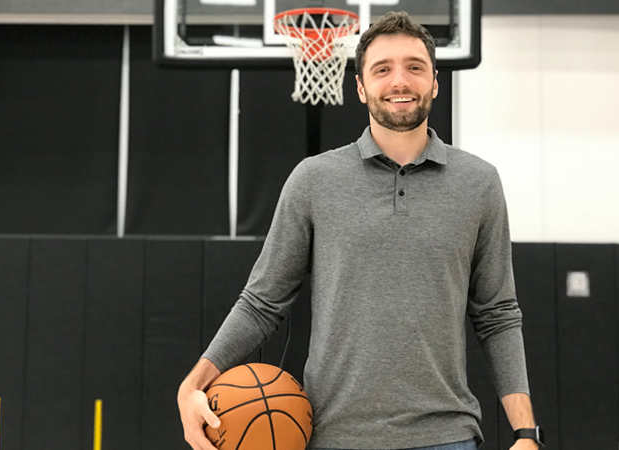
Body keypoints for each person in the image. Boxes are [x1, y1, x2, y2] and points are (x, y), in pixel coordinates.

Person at [178, 11, 542, 450]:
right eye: (382, 69)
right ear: (361, 87)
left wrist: (526, 433)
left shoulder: (479, 182)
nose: (400, 81)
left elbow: (497, 313)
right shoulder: (314, 180)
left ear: (435, 81)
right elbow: (262, 302)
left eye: (414, 67)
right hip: (335, 436)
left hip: (447, 435)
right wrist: (192, 384)